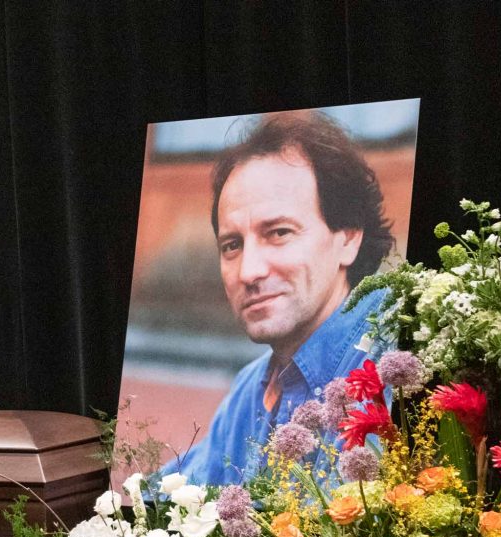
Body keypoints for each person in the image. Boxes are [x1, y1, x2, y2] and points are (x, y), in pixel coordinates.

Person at [166, 111, 396, 485]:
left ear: (349, 237)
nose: (248, 271)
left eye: (279, 233)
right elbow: (171, 494)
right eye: (232, 245)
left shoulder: (395, 358)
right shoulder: (249, 389)